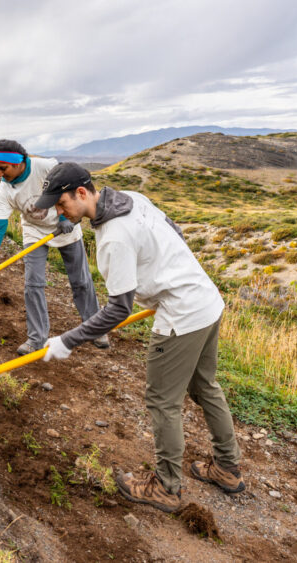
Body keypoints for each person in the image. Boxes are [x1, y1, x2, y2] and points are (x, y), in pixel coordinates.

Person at [33, 162, 244, 514]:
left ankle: (166, 487)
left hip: (182, 315)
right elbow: (174, 231)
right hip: (206, 299)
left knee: (163, 400)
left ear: (81, 193)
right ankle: (227, 467)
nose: (58, 210)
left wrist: (68, 340)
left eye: (61, 203)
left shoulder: (115, 237)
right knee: (204, 386)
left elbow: (118, 309)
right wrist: (171, 273)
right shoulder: (131, 198)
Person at [0, 140, 101, 356]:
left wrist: (63, 216)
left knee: (80, 281)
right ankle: (37, 339)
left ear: (17, 163)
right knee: (33, 284)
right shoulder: (4, 190)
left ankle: (96, 328)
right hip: (35, 231)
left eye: (2, 168)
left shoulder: (45, 167)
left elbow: (69, 184)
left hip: (67, 223)